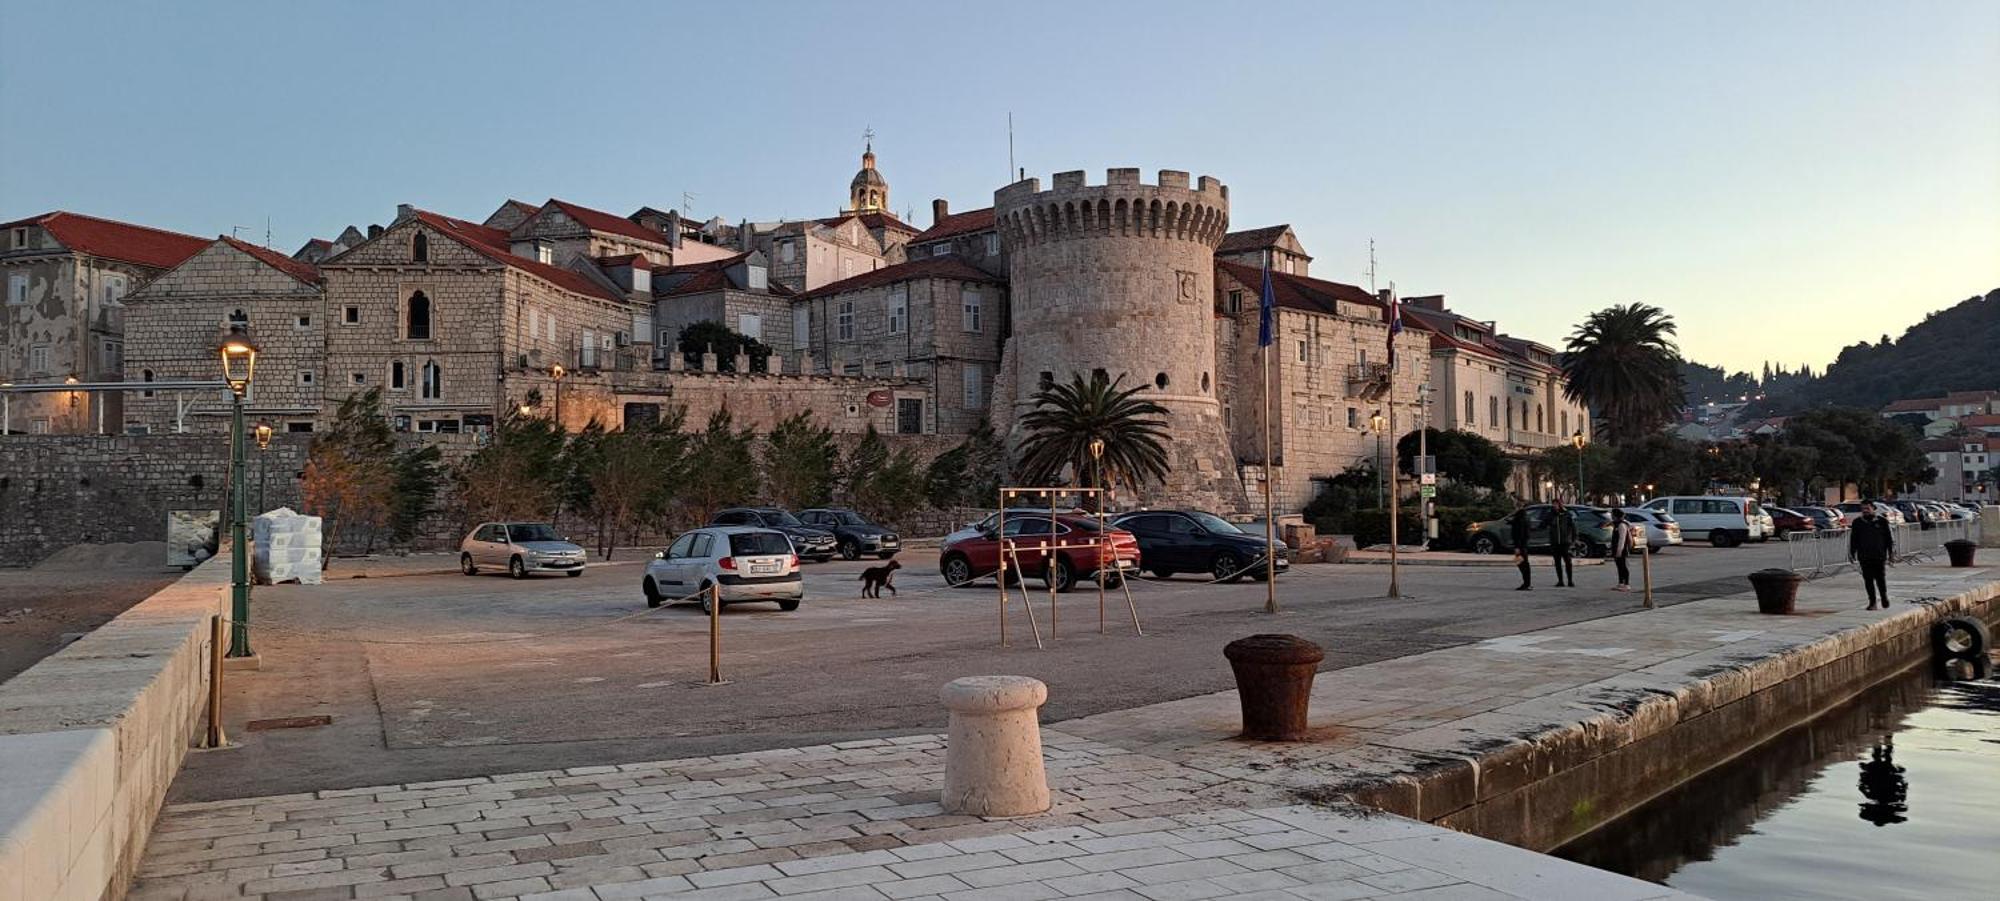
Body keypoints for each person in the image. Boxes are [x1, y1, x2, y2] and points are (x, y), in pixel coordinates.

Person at [1849, 501, 1895, 610]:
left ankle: (1884, 597)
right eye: (1863, 509)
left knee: (1880, 578)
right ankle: (1872, 602)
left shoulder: (1882, 521)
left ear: (1873, 509)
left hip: (1879, 555)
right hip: (1864, 556)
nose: (1865, 510)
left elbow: (1888, 539)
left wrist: (1891, 553)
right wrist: (1852, 553)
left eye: (1867, 508)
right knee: (1868, 580)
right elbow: (1853, 539)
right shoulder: (1857, 522)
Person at [1549, 498, 1576, 587]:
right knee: (1557, 562)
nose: (1554, 506)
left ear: (1560, 504)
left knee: (1568, 562)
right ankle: (1560, 581)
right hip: (1555, 542)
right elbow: (1544, 524)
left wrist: (1573, 539)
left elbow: (1573, 527)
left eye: (1556, 504)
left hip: (1565, 542)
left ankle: (1570, 580)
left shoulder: (1566, 514)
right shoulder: (1551, 515)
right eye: (1553, 504)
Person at [1508, 503, 1533, 591]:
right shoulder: (1524, 517)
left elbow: (1519, 533)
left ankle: (1527, 583)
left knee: (1521, 563)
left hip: (1520, 544)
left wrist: (1517, 546)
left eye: (1516, 507)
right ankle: (1527, 583)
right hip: (1523, 544)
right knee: (1522, 562)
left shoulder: (1520, 518)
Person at [1609, 508, 1634, 592]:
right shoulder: (1616, 524)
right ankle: (1621, 583)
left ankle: (1627, 584)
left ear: (1616, 515)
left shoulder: (1622, 525)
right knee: (1619, 566)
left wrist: (1619, 550)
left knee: (1623, 566)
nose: (1611, 516)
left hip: (1621, 549)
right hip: (1616, 548)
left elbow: (1622, 539)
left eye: (1612, 514)